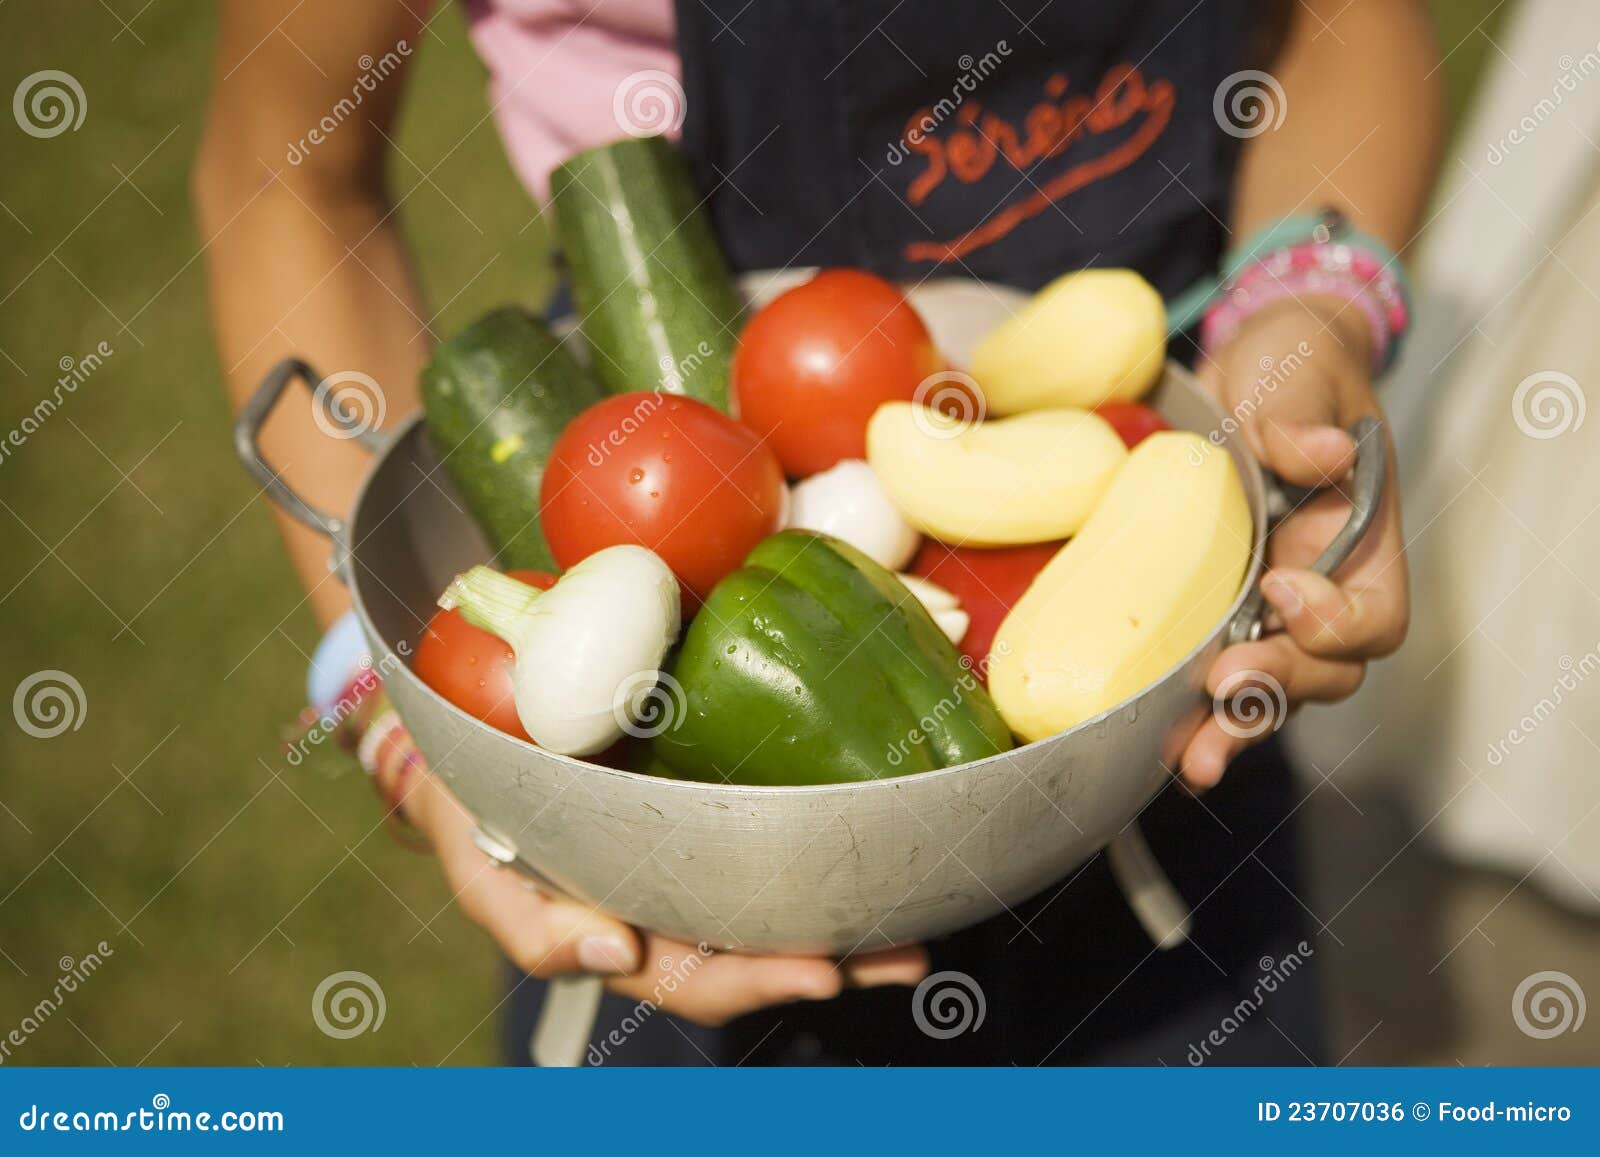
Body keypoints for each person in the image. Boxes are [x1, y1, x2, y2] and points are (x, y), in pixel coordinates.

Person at [195, 0, 1439, 1064]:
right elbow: (284, 163)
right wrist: (403, 726)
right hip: (648, 830)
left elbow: (1341, 22)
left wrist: (1305, 321)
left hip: (1157, 645)